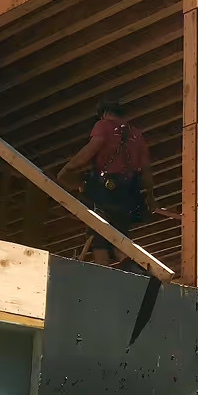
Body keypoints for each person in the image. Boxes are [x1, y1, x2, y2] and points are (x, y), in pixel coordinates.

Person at [55, 96, 156, 270]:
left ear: (104, 112)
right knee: (120, 238)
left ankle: (104, 270)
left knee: (99, 236)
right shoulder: (136, 134)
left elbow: (91, 149)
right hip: (128, 192)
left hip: (105, 189)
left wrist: (67, 169)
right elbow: (146, 169)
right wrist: (151, 197)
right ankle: (135, 272)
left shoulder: (103, 125)